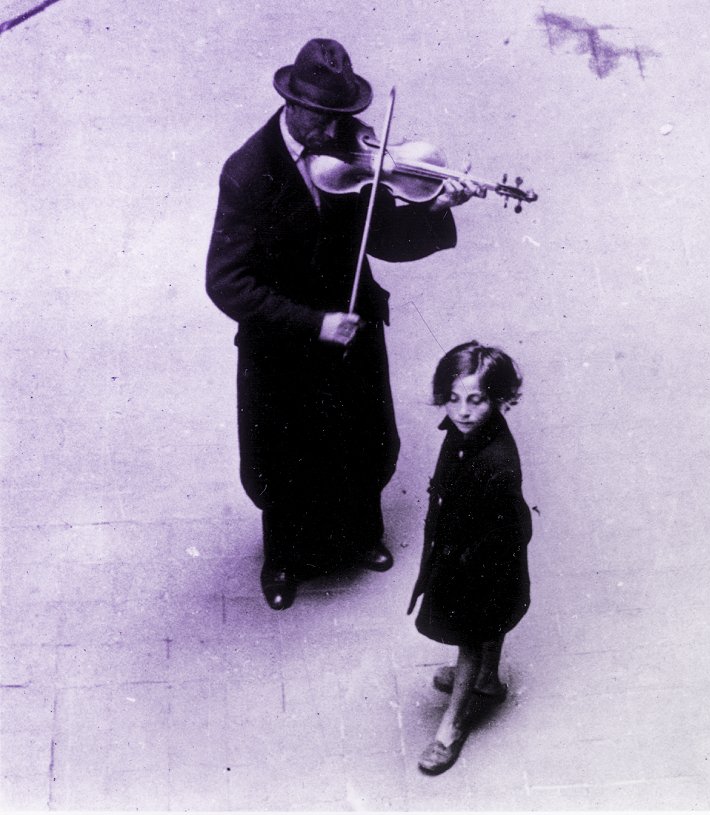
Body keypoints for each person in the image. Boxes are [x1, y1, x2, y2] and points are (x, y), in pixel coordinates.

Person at [206, 38, 480, 610]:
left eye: (345, 118)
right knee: (281, 452)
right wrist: (313, 322)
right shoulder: (247, 172)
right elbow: (227, 282)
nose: (339, 132)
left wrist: (434, 210)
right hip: (281, 339)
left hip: (355, 323)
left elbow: (381, 240)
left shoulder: (352, 152)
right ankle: (282, 558)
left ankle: (363, 534)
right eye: (325, 119)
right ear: (293, 106)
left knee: (364, 432)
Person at [407, 341, 533, 775]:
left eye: (476, 400)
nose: (462, 411)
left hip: (483, 559)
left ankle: (452, 726)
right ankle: (487, 680)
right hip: (472, 550)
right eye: (454, 398)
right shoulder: (464, 433)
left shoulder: (496, 461)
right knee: (487, 625)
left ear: (498, 399)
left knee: (470, 635)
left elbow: (499, 531)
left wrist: (460, 564)